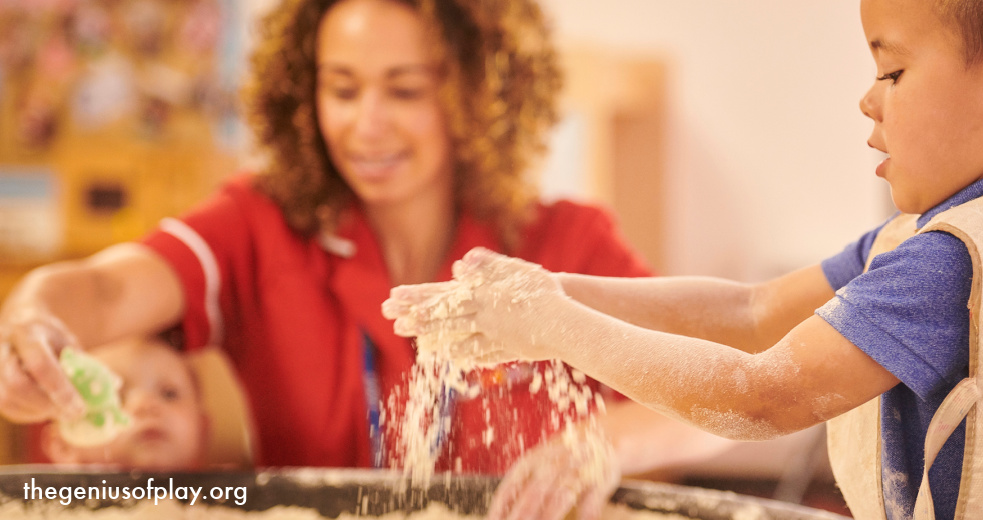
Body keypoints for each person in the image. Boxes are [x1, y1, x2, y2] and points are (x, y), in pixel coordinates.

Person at [384, 0, 983, 518]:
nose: (867, 100)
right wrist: (551, 291)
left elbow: (757, 394)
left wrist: (551, 328)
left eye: (892, 72)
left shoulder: (950, 265)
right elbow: (748, 314)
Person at [0, 0, 730, 518]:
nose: (366, 125)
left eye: (404, 90)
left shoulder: (563, 243)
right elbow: (98, 291)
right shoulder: (260, 226)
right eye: (340, 89)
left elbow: (719, 390)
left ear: (477, 92)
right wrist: (33, 321)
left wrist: (598, 447)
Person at [42, 336, 209, 471]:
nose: (147, 405)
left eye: (169, 394)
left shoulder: (224, 495)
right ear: (63, 446)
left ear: (203, 430)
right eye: (116, 397)